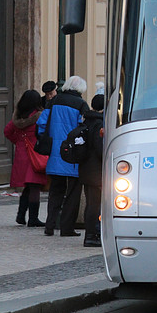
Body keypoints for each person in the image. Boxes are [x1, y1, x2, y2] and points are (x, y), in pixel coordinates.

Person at [38, 75, 88, 237]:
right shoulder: (81, 104)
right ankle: (66, 228)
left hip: (55, 153)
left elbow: (41, 124)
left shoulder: (54, 101)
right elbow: (84, 129)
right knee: (72, 194)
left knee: (55, 192)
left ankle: (50, 226)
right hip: (72, 156)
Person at [4, 90, 48, 227]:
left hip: (21, 153)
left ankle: (21, 215)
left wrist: (18, 141)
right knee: (34, 186)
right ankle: (33, 218)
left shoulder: (17, 117)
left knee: (28, 186)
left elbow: (7, 131)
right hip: (35, 153)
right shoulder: (39, 116)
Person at [79, 93, 105, 247]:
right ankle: (92, 235)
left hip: (86, 169)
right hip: (96, 171)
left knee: (91, 203)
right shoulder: (99, 123)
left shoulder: (86, 120)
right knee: (95, 205)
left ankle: (91, 233)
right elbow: (100, 148)